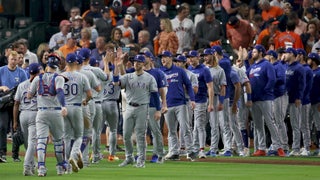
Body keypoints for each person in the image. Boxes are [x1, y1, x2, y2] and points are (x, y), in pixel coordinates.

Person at [113, 54, 160, 168]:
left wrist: (158, 110)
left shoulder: (149, 78)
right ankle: (129, 157)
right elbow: (116, 83)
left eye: (139, 62)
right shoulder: (128, 76)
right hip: (129, 107)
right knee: (126, 135)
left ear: (143, 64)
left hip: (142, 108)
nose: (136, 64)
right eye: (135, 62)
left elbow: (154, 95)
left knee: (140, 135)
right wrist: (117, 66)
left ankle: (141, 160)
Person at [27, 54, 68, 176]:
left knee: (41, 141)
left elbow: (29, 95)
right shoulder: (59, 78)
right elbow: (60, 92)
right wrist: (64, 106)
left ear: (47, 64)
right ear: (57, 65)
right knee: (58, 141)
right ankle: (60, 167)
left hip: (42, 111)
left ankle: (41, 168)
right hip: (55, 111)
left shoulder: (37, 78)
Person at [248, 45, 286, 157]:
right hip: (255, 98)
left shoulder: (267, 64)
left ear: (260, 52)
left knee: (270, 122)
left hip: (265, 98)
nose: (252, 53)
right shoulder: (252, 66)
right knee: (258, 125)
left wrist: (266, 91)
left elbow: (272, 79)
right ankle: (261, 148)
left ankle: (279, 147)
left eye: (254, 52)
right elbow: (246, 79)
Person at [159, 50, 197, 161]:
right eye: (161, 57)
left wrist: (193, 99)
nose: (163, 59)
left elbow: (189, 85)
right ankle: (174, 152)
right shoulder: (160, 72)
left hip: (181, 103)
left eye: (165, 57)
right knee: (171, 130)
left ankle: (190, 151)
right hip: (167, 104)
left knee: (185, 128)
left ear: (171, 58)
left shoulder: (179, 71)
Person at [61, 53, 92, 173]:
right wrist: (86, 101)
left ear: (66, 63)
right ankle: (73, 157)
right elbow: (90, 94)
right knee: (79, 136)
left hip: (64, 108)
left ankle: (66, 167)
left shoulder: (61, 76)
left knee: (67, 137)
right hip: (76, 107)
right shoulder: (81, 76)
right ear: (76, 63)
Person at [13, 63, 41, 175]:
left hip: (22, 114)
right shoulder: (40, 84)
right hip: (34, 113)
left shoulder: (22, 85)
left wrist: (15, 121)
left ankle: (32, 163)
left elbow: (16, 103)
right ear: (38, 72)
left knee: (27, 142)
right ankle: (26, 167)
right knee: (31, 142)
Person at [0, 51, 28, 163]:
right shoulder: (1, 70)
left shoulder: (21, 72)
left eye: (15, 59)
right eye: (11, 59)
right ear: (8, 59)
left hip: (16, 103)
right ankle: (2, 152)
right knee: (2, 126)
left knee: (16, 129)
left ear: (18, 60)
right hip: (4, 103)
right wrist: (1, 87)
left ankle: (15, 154)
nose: (13, 61)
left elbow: (26, 87)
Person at [186, 50, 214, 158]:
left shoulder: (204, 70)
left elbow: (210, 87)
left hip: (201, 100)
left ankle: (201, 149)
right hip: (190, 100)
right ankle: (194, 148)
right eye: (189, 57)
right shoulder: (188, 69)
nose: (191, 59)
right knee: (192, 126)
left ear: (198, 58)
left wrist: (210, 103)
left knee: (200, 126)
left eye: (192, 57)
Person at [142, 51, 167, 163]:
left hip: (153, 104)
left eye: (145, 56)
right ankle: (141, 153)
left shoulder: (157, 72)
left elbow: (162, 90)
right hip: (141, 105)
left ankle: (158, 154)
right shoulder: (137, 72)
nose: (142, 58)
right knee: (140, 131)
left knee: (155, 131)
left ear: (150, 59)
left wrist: (164, 104)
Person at [202, 48, 226, 157]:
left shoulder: (219, 70)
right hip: (203, 98)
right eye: (204, 55)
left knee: (214, 124)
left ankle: (213, 148)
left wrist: (221, 101)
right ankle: (201, 147)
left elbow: (223, 87)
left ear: (212, 55)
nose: (205, 57)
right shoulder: (203, 68)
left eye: (207, 55)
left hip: (215, 97)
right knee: (201, 124)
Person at [173, 54, 198, 156]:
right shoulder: (174, 74)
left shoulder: (191, 75)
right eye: (177, 61)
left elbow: (195, 90)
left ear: (184, 63)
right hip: (175, 101)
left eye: (179, 62)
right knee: (176, 126)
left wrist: (183, 87)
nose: (177, 63)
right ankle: (180, 147)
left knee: (187, 125)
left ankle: (188, 147)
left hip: (187, 100)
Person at [265, 50, 289, 154]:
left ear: (271, 56)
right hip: (273, 96)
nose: (265, 57)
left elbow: (282, 79)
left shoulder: (278, 66)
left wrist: (270, 80)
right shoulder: (271, 66)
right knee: (275, 120)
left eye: (267, 55)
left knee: (279, 121)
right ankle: (277, 144)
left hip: (280, 95)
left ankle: (284, 145)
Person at [284, 48, 306, 156]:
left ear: (292, 54)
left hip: (294, 99)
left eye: (286, 53)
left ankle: (296, 148)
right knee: (285, 123)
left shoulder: (299, 68)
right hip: (285, 99)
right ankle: (285, 145)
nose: (285, 55)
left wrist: (299, 97)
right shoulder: (286, 66)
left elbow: (302, 84)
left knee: (295, 124)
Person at [296, 48, 313, 156]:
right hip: (299, 99)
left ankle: (307, 147)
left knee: (305, 124)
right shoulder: (300, 68)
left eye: (297, 54)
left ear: (301, 56)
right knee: (300, 124)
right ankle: (304, 146)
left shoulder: (307, 69)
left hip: (305, 100)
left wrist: (302, 97)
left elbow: (307, 86)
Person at [308, 52, 320, 156]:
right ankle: (310, 146)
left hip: (317, 101)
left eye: (310, 59)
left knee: (318, 124)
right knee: (308, 125)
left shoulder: (319, 72)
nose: (308, 61)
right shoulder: (309, 71)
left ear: (314, 60)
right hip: (309, 102)